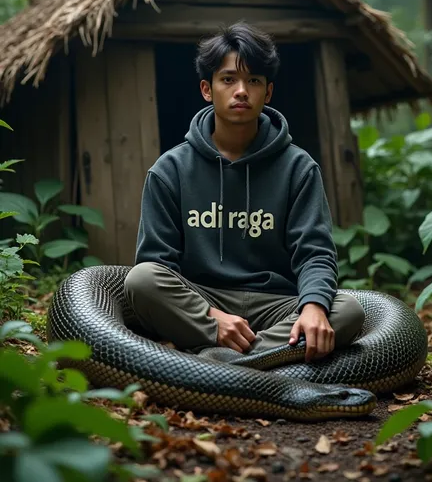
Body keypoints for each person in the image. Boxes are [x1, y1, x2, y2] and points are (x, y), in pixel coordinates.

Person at [124, 22, 365, 364]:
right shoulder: (170, 170)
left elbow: (315, 254)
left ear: (267, 93)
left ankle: (224, 360)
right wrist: (210, 317)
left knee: (348, 310)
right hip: (203, 299)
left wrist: (312, 307)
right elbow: (156, 263)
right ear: (207, 89)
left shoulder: (299, 167)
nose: (241, 91)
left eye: (253, 81)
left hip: (275, 304)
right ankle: (259, 356)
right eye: (228, 79)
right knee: (141, 280)